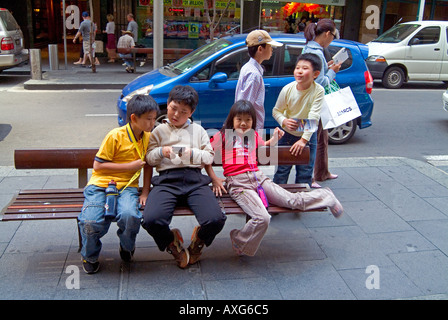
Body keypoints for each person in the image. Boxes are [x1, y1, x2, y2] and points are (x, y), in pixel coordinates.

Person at [206, 100, 343, 257]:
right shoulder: (222, 136)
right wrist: (214, 178)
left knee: (292, 201)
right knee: (262, 218)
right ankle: (239, 239)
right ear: (232, 120)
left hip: (259, 179)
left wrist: (276, 138)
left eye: (248, 120)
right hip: (238, 184)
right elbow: (206, 156)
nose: (243, 123)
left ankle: (326, 196)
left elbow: (264, 146)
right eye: (239, 119)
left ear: (253, 121)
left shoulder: (253, 135)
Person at [141, 85, 227, 269]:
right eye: (173, 108)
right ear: (168, 104)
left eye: (183, 112)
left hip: (195, 180)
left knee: (215, 219)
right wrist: (161, 152)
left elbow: (209, 156)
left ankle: (198, 241)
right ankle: (172, 242)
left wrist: (191, 154)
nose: (176, 115)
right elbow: (148, 158)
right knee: (150, 220)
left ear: (191, 112)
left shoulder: (199, 130)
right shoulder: (158, 131)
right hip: (166, 181)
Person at [78, 94, 160, 274]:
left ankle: (127, 246)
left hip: (128, 187)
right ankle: (89, 255)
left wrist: (145, 192)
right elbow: (98, 165)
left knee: (131, 216)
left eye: (154, 119)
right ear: (133, 118)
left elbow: (148, 167)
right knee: (90, 221)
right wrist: (129, 166)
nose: (152, 124)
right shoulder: (115, 136)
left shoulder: (147, 138)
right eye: (148, 119)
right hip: (101, 185)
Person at [272, 53, 324, 188]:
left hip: (308, 136)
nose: (299, 71)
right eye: (297, 67)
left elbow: (314, 116)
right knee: (281, 171)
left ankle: (301, 201)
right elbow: (276, 110)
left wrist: (303, 140)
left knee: (305, 172)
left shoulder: (318, 91)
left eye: (305, 68)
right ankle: (278, 199)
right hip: (287, 135)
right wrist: (284, 121)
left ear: (315, 74)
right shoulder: (287, 89)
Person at [302, 19, 342, 187]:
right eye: (333, 36)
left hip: (313, 100)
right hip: (315, 101)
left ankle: (322, 171)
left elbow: (317, 73)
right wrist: (332, 72)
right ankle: (309, 177)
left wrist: (326, 67)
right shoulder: (316, 52)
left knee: (321, 137)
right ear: (327, 34)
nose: (332, 39)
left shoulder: (310, 48)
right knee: (313, 140)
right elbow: (321, 81)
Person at [235, 29, 283, 131]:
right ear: (260, 49)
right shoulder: (254, 74)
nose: (272, 50)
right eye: (270, 47)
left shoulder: (249, 68)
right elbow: (245, 106)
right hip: (250, 130)